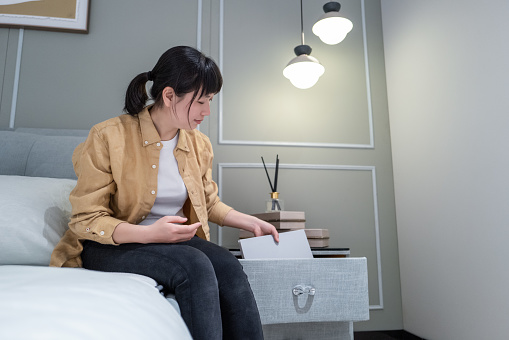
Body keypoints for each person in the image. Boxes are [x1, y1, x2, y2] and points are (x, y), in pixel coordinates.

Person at [50, 45, 279, 340]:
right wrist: (149, 234)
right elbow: (86, 218)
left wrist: (249, 222)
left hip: (172, 242)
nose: (207, 111)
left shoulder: (199, 144)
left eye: (210, 101)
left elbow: (207, 203)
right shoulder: (108, 136)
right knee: (195, 266)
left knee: (228, 265)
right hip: (108, 246)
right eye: (201, 102)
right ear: (169, 95)